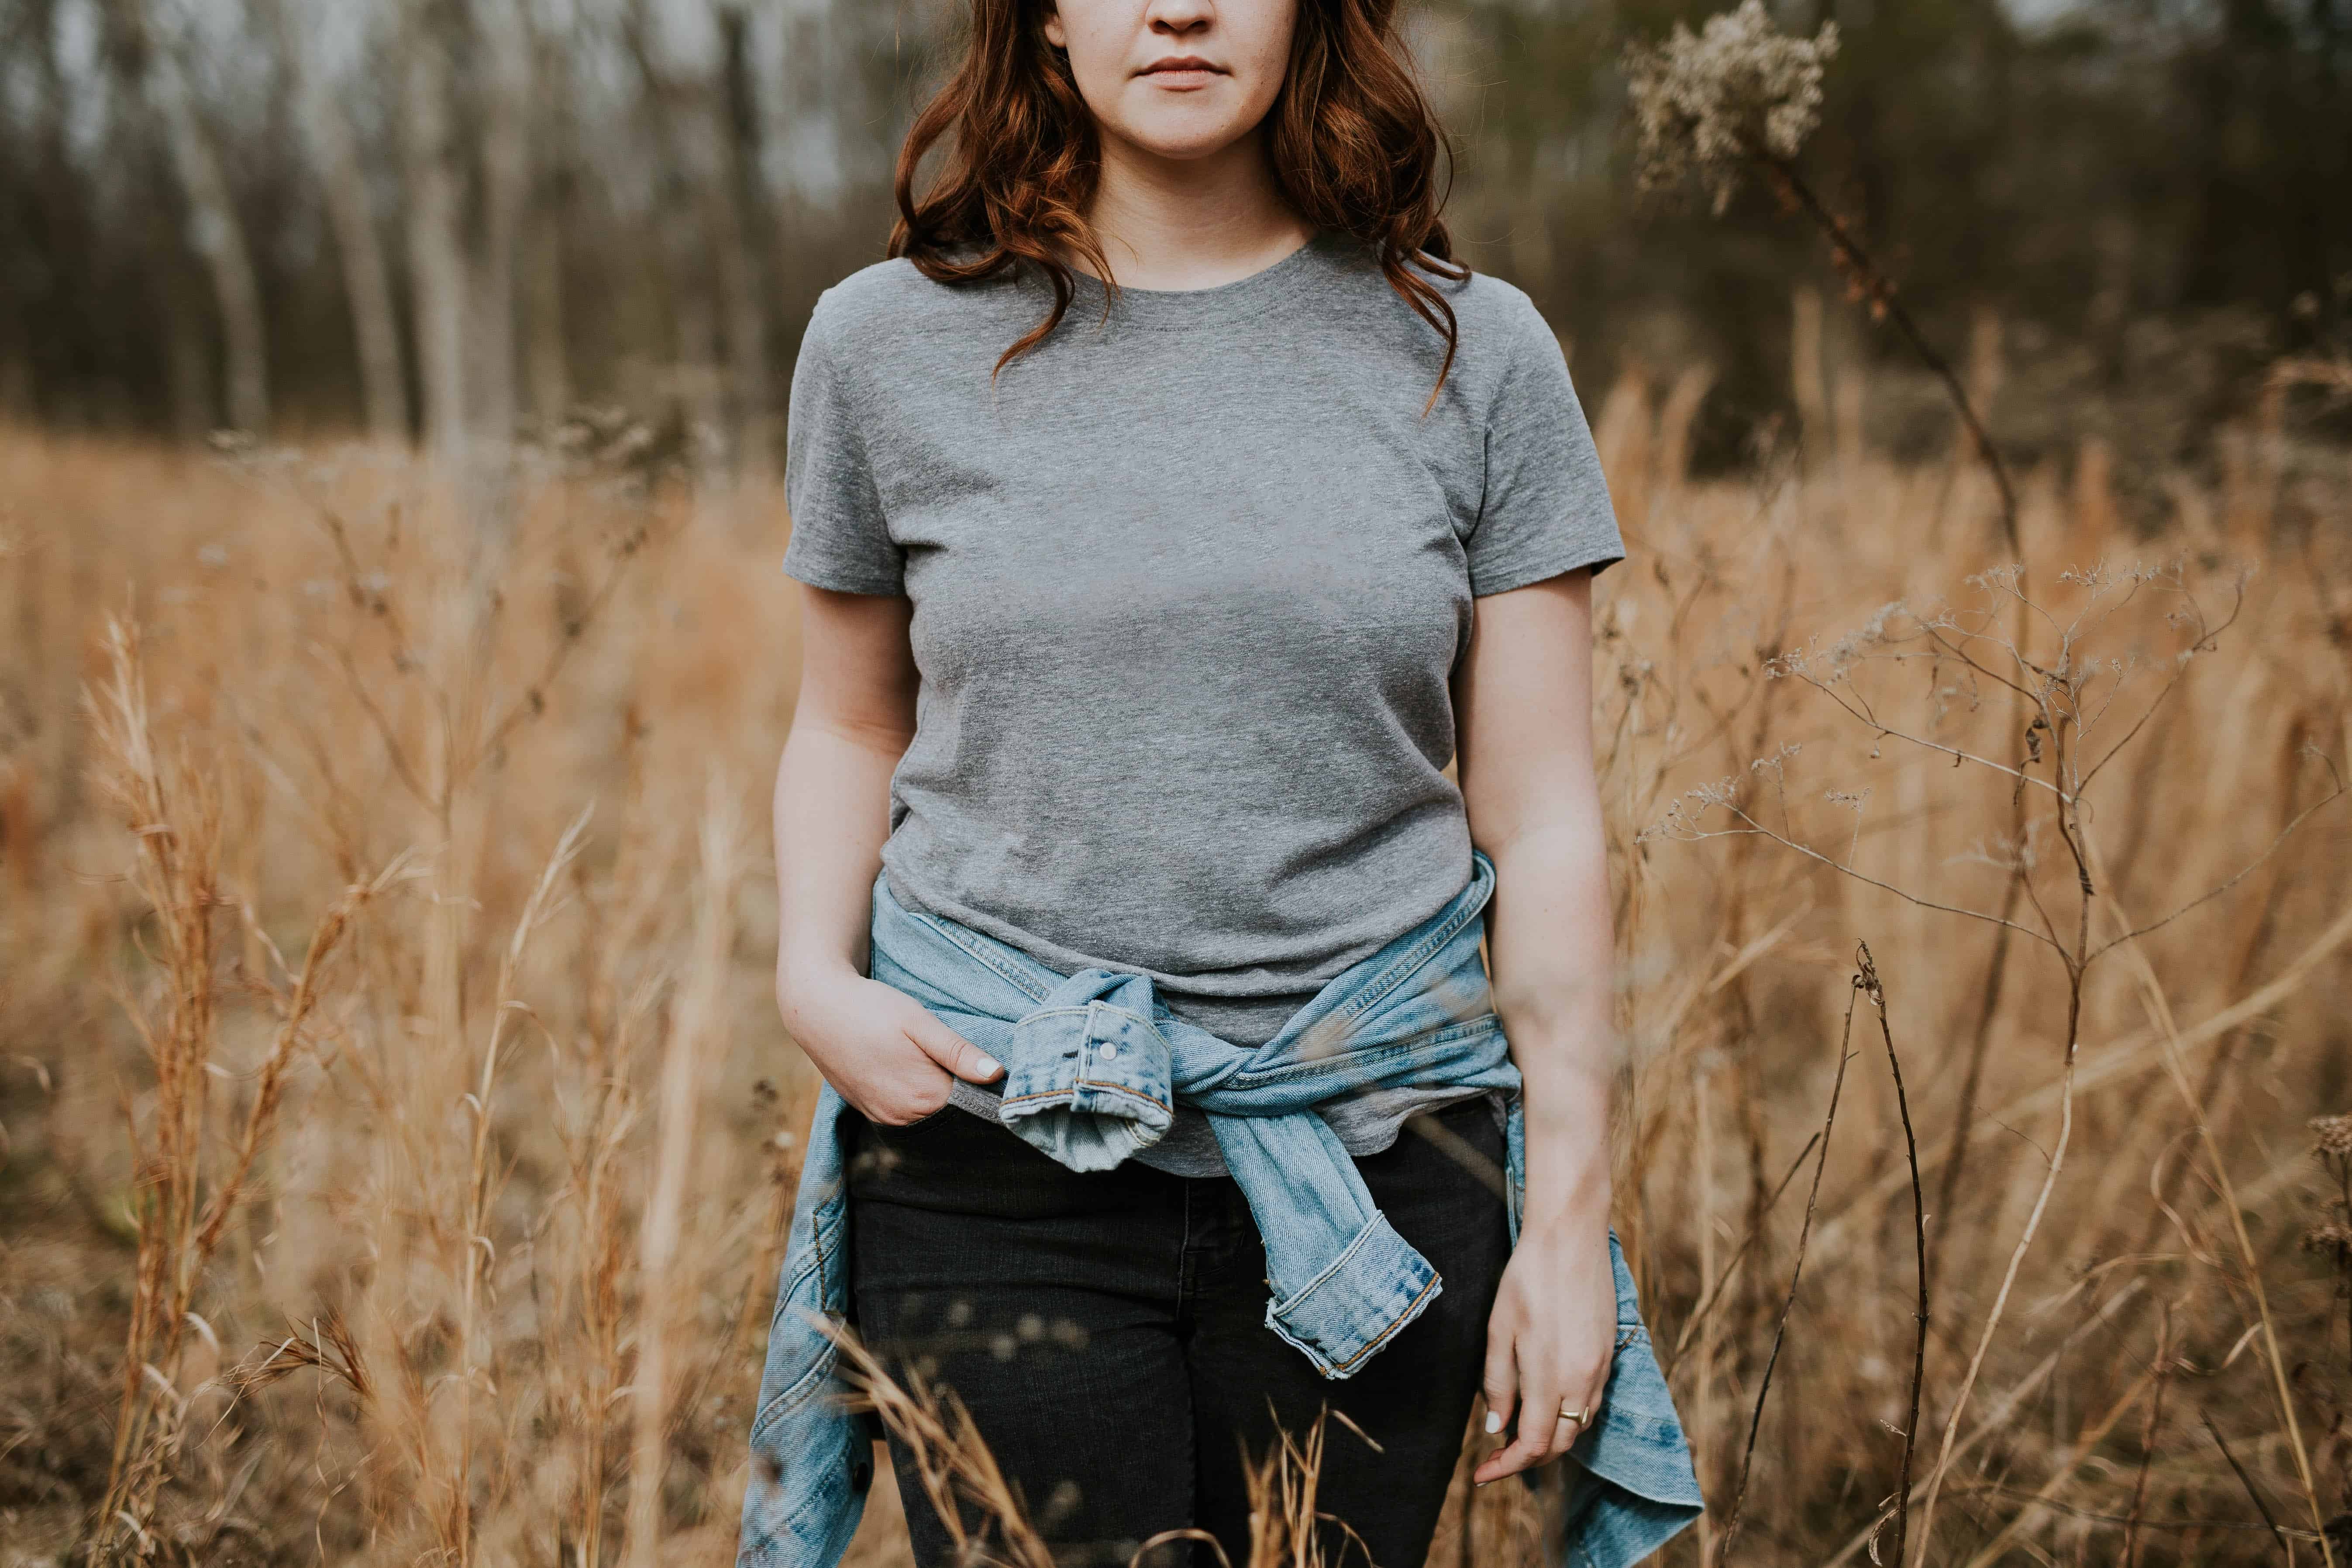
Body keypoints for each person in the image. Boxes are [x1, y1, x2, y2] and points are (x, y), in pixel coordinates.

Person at [737, 2, 1701, 1566]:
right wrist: (808, 979)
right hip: (993, 1150)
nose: (1176, 6)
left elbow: (1543, 820)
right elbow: (848, 725)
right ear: (1046, 21)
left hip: (1380, 1152)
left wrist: (1567, 1221)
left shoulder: (1475, 345)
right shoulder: (881, 341)